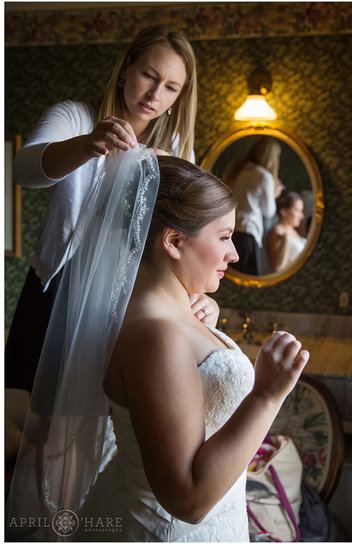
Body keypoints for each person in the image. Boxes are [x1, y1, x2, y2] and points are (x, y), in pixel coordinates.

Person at [6, 150, 308, 541]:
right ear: (175, 241)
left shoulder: (166, 315)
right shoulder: (156, 336)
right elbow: (189, 499)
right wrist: (267, 396)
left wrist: (205, 323)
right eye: (224, 237)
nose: (234, 254)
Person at [5, 25, 214, 396]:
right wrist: (87, 144)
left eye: (171, 87)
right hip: (55, 294)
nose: (155, 94)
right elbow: (22, 170)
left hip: (125, 303)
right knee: (23, 423)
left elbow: (183, 235)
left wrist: (195, 296)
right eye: (149, 75)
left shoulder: (177, 148)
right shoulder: (75, 118)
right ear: (125, 68)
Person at [223, 136, 283, 275]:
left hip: (228, 230)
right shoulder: (263, 176)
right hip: (248, 232)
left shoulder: (235, 169)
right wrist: (275, 194)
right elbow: (269, 211)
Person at [266, 191, 307, 273]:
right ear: (284, 212)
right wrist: (285, 240)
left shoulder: (296, 231)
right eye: (297, 210)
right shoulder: (277, 231)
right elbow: (277, 266)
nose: (302, 216)